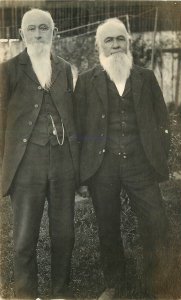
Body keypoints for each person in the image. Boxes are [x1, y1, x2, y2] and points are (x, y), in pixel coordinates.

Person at [74, 18, 170, 299]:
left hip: (140, 165)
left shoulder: (146, 77)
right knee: (107, 224)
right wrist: (82, 175)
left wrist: (158, 158)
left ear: (128, 42)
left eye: (120, 39)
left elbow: (161, 120)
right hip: (102, 167)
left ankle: (159, 281)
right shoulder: (88, 81)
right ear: (98, 46)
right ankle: (115, 282)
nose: (115, 45)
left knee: (156, 221)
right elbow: (80, 130)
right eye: (109, 40)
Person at [0, 8, 78, 299]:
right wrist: (6, 164)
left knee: (65, 235)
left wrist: (75, 165)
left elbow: (74, 119)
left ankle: (60, 292)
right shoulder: (7, 71)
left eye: (43, 28)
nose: (37, 34)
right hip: (25, 166)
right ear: (21, 34)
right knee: (23, 240)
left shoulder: (66, 70)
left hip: (62, 166)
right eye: (31, 29)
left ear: (54, 33)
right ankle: (24, 294)